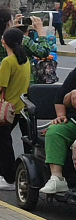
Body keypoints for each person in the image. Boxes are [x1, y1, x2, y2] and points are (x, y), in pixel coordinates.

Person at [0, 28, 31, 191]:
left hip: (4, 110)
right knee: (0, 141)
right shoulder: (24, 60)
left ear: (4, 42)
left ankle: (9, 178)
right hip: (18, 107)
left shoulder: (8, 62)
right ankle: (6, 174)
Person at [38, 67, 76, 195]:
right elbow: (60, 98)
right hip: (73, 123)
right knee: (55, 131)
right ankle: (57, 178)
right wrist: (70, 96)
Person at [0, 7, 52, 75]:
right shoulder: (22, 40)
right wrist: (41, 31)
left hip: (1, 81)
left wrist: (14, 30)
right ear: (9, 23)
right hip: (23, 83)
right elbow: (44, 52)